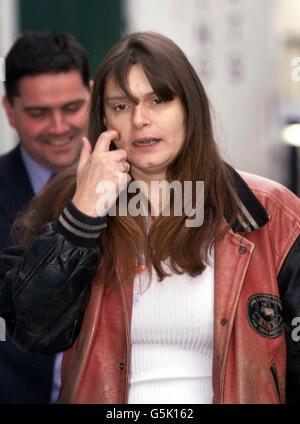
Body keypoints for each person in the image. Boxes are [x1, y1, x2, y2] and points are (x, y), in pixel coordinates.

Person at [0, 31, 300, 404]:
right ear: (103, 119)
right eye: (121, 106)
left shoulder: (273, 212)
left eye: (158, 100)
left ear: (190, 108)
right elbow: (35, 332)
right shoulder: (68, 202)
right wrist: (83, 215)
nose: (140, 120)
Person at [0, 31, 91, 403]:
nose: (58, 127)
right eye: (38, 113)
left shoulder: (139, 190)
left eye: (72, 108)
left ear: (93, 94)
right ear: (10, 110)